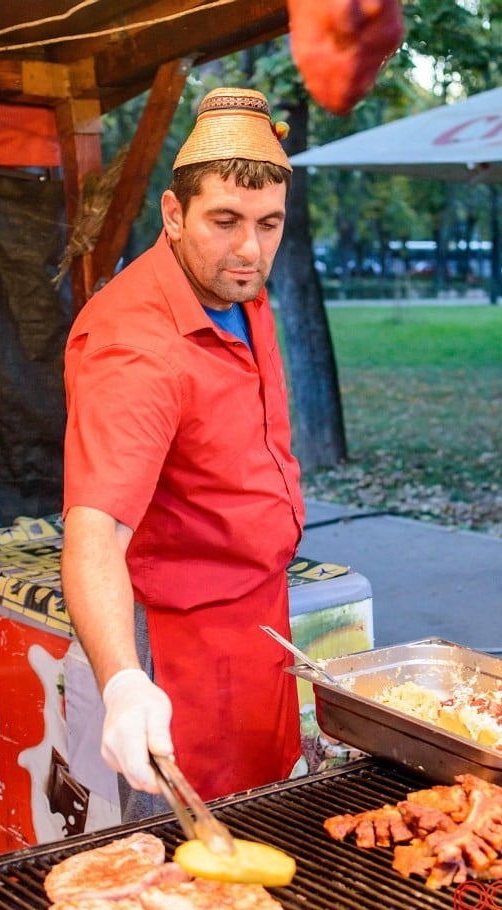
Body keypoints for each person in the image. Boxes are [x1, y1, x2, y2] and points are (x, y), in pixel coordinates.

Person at [60, 88, 305, 818]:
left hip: (259, 612)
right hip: (182, 638)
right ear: (173, 215)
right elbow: (94, 529)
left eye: (269, 224)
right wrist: (123, 685)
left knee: (270, 814)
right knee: (191, 846)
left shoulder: (238, 283)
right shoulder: (135, 345)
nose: (249, 249)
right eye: (224, 222)